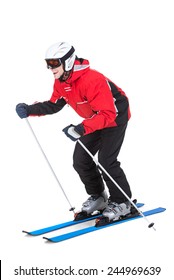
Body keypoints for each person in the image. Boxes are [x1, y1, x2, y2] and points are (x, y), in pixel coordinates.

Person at [16, 42, 132, 222]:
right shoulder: (62, 82)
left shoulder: (93, 79)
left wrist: (82, 128)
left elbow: (108, 113)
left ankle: (122, 202)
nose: (50, 68)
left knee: (106, 161)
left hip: (114, 118)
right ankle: (99, 197)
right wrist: (30, 109)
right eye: (48, 63)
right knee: (80, 160)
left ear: (67, 62)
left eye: (54, 63)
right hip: (94, 119)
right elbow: (54, 104)